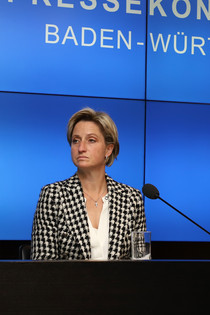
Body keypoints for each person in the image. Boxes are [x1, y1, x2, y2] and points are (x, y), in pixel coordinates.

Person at [31, 107, 146, 260]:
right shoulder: (53, 195)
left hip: (120, 284)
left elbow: (142, 265)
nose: (81, 148)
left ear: (108, 149)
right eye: (75, 141)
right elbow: (42, 263)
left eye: (91, 140)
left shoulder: (132, 198)